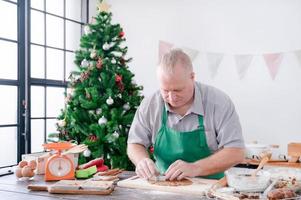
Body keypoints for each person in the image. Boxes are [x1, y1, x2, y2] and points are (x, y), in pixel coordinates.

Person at [127, 49, 245, 181]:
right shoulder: (150, 105)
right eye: (165, 90)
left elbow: (236, 152)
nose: (171, 98)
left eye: (178, 90)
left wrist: (195, 167)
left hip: (209, 186)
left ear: (192, 77)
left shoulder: (219, 102)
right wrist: (142, 161)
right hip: (164, 186)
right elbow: (134, 143)